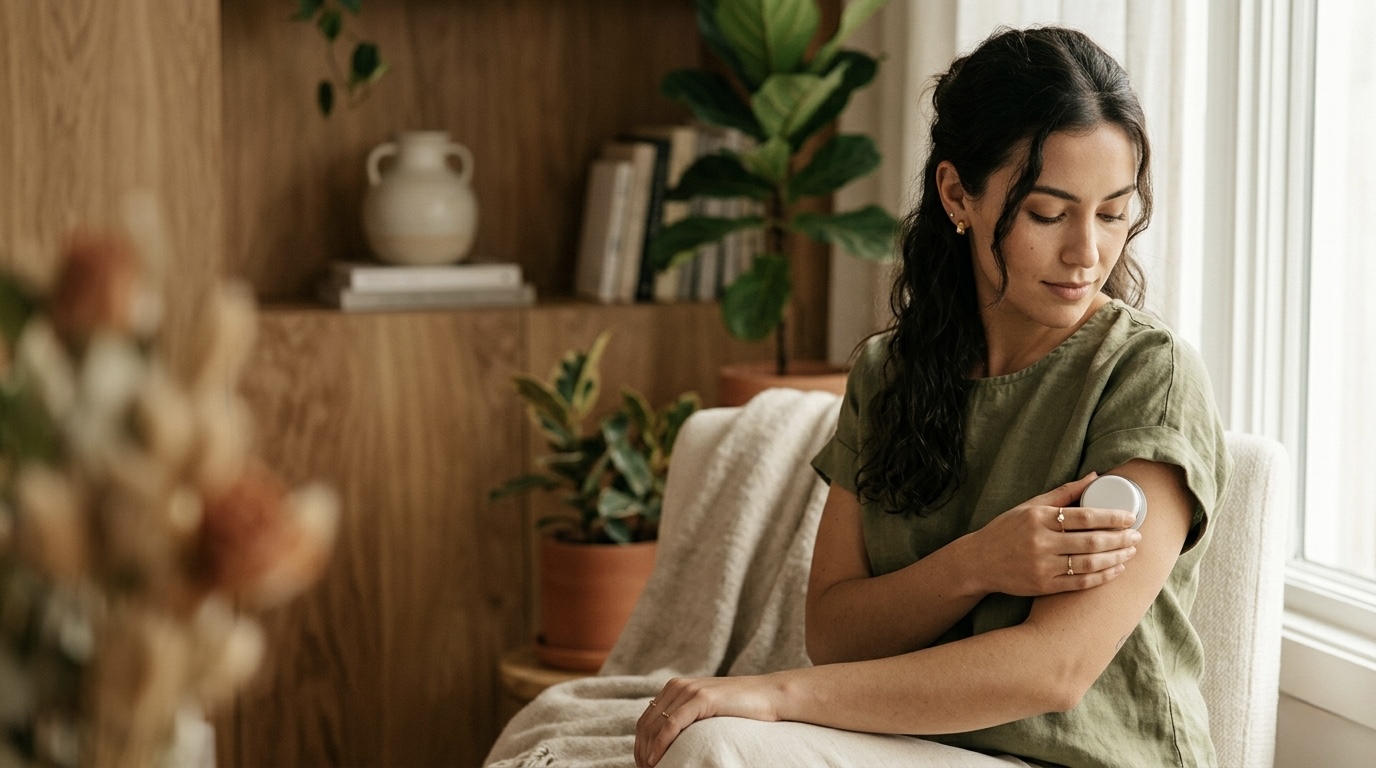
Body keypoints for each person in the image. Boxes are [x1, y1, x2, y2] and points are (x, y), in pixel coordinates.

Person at [634, 25, 1230, 768]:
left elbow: (1057, 670)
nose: (1088, 253)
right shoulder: (888, 372)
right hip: (906, 743)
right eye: (1049, 213)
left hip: (1084, 760)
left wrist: (774, 694)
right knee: (707, 741)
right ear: (958, 194)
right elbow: (837, 632)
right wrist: (979, 562)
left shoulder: (1148, 375)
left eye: (1112, 213)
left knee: (719, 747)